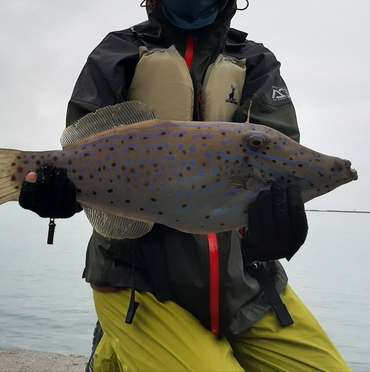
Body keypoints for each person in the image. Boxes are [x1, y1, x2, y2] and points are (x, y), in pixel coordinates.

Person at [19, 0, 350, 370]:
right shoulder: (119, 51)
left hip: (247, 285)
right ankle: (112, 354)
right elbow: (83, 147)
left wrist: (274, 233)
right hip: (136, 279)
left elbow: (278, 143)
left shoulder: (254, 59)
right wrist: (60, 191)